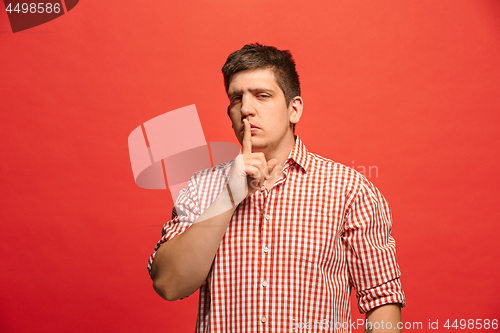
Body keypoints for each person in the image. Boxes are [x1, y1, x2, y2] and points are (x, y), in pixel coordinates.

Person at [148, 43, 406, 332]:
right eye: (236, 98)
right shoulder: (201, 187)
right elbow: (169, 284)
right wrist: (228, 197)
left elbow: (381, 299)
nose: (246, 109)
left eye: (262, 95)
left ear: (293, 109)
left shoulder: (349, 189)